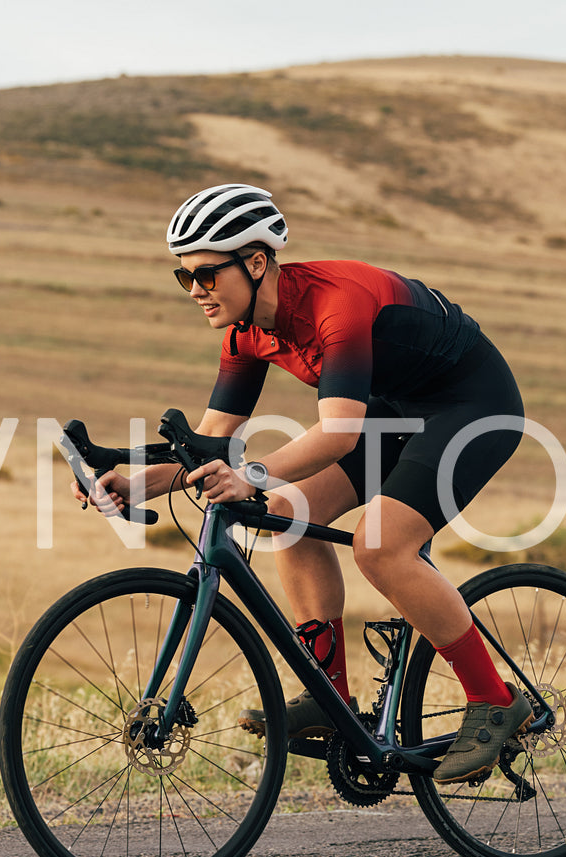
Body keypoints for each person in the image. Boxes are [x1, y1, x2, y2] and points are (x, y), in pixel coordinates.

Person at [78, 183, 529, 784]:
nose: (196, 292)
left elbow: (339, 433)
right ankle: (331, 695)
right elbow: (214, 438)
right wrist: (137, 484)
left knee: (380, 545)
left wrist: (249, 476)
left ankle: (496, 701)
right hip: (393, 408)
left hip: (471, 407)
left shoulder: (334, 305)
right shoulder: (245, 333)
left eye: (207, 275)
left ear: (257, 262)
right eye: (183, 277)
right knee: (287, 516)